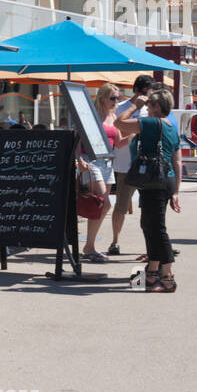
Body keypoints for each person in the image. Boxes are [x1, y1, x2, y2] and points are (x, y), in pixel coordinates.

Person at [115, 87, 181, 292]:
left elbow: (119, 123)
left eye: (149, 105)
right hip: (164, 179)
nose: (146, 108)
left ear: (157, 107)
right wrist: (176, 190)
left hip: (155, 180)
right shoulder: (171, 125)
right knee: (149, 225)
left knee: (156, 228)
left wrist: (135, 105)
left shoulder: (153, 123)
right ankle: (151, 272)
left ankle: (168, 276)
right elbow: (176, 160)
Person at [107, 75, 153, 256]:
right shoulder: (122, 108)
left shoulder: (151, 110)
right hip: (126, 164)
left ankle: (151, 247)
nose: (146, 97)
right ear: (136, 90)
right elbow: (120, 130)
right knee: (121, 206)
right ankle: (115, 241)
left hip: (148, 166)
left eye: (149, 94)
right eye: (144, 92)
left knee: (150, 208)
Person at [81, 83, 122, 262]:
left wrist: (138, 134)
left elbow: (119, 143)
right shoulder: (92, 116)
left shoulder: (114, 117)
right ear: (103, 98)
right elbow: (77, 139)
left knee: (101, 205)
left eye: (117, 98)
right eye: (112, 98)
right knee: (104, 204)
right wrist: (79, 160)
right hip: (91, 161)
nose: (115, 101)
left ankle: (89, 246)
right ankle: (89, 246)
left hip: (107, 163)